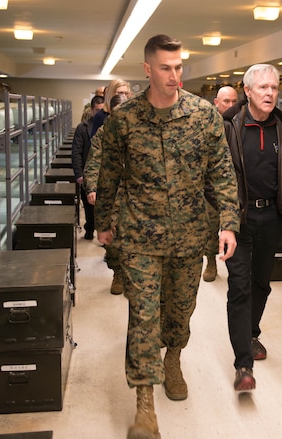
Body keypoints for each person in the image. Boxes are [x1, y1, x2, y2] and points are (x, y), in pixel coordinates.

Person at [94, 34, 239, 439]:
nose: (175, 76)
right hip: (139, 234)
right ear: (147, 70)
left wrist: (228, 222)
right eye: (165, 68)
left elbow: (222, 173)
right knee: (142, 314)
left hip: (190, 235)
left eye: (179, 67)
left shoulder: (204, 114)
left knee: (179, 310)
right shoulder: (124, 120)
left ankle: (173, 356)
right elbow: (109, 176)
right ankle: (145, 406)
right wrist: (104, 221)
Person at [221, 63, 282, 391]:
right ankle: (243, 364)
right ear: (247, 92)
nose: (270, 93)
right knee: (239, 286)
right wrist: (223, 219)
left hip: (271, 216)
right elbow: (217, 175)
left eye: (274, 87)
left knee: (261, 284)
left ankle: (251, 333)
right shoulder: (230, 127)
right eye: (263, 88)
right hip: (238, 219)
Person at [83, 92, 128, 295]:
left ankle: (132, 275)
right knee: (113, 241)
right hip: (112, 193)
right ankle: (117, 271)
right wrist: (92, 188)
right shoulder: (103, 133)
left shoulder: (140, 130)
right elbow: (93, 162)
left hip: (136, 194)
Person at [201, 85, 241, 282]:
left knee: (235, 229)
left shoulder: (241, 124)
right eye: (226, 101)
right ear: (216, 103)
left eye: (234, 101)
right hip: (210, 189)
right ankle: (210, 261)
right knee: (210, 229)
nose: (231, 105)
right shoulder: (208, 124)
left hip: (234, 189)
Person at [72, 94, 106, 239]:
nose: (100, 113)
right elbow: (76, 152)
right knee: (89, 208)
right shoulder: (82, 128)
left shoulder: (108, 127)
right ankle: (89, 229)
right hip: (87, 174)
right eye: (97, 110)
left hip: (104, 176)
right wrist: (79, 175)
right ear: (92, 110)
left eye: (102, 110)